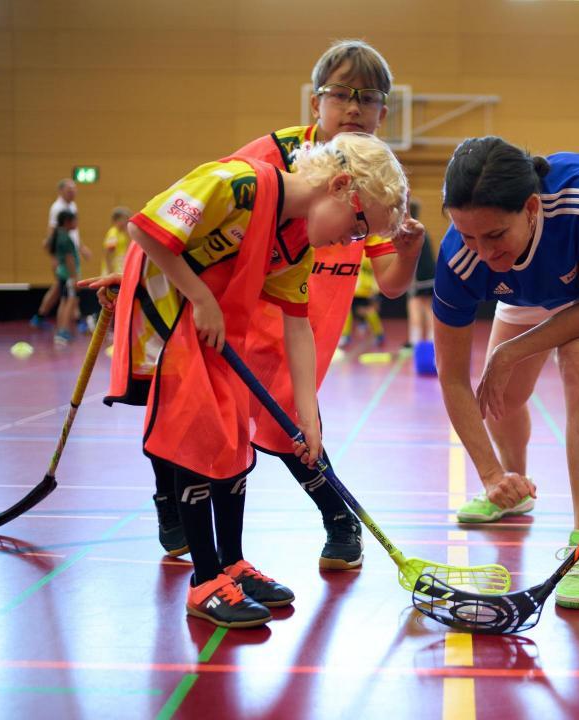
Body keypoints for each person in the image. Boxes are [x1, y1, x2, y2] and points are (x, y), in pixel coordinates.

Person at [110, 132, 408, 628]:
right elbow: (147, 230)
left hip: (216, 324)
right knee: (200, 437)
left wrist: (308, 419)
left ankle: (232, 564)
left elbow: (298, 326)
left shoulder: (296, 244)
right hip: (170, 317)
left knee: (234, 440)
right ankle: (205, 580)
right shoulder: (236, 184)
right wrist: (200, 298)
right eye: (359, 229)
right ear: (338, 186)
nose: (350, 245)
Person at [432, 136, 579, 610]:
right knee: (503, 391)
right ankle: (514, 491)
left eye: (494, 235)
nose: (480, 252)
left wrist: (508, 351)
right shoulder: (466, 258)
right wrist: (491, 474)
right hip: (533, 275)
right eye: (467, 236)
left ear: (531, 207)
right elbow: (453, 377)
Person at [32, 179, 85, 328]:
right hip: (65, 256)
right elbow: (52, 232)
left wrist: (82, 248)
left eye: (75, 190)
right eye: (69, 190)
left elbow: (74, 232)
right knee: (67, 289)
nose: (73, 193)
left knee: (64, 289)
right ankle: (64, 321)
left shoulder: (72, 205)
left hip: (70, 253)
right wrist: (54, 257)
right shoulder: (57, 208)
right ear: (61, 191)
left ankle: (69, 318)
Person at [405, 198, 436, 351]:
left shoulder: (410, 232)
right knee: (428, 307)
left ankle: (415, 342)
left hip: (419, 278)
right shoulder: (423, 230)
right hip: (431, 276)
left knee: (414, 306)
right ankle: (432, 340)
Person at [47, 210, 80, 345]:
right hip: (68, 276)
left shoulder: (59, 235)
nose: (76, 223)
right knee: (69, 301)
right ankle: (63, 331)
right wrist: (74, 277)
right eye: (74, 220)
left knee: (64, 300)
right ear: (67, 222)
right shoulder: (65, 238)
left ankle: (61, 330)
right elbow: (69, 259)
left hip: (62, 274)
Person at [339, 255, 385, 348]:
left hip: (367, 291)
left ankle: (379, 335)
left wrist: (375, 289)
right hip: (354, 290)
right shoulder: (355, 253)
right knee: (346, 312)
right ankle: (345, 336)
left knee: (370, 312)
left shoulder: (371, 255)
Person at [102, 206, 132, 275]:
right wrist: (110, 271)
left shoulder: (122, 233)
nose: (127, 221)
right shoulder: (113, 234)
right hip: (114, 269)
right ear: (117, 220)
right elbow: (108, 254)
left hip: (120, 267)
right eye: (125, 219)